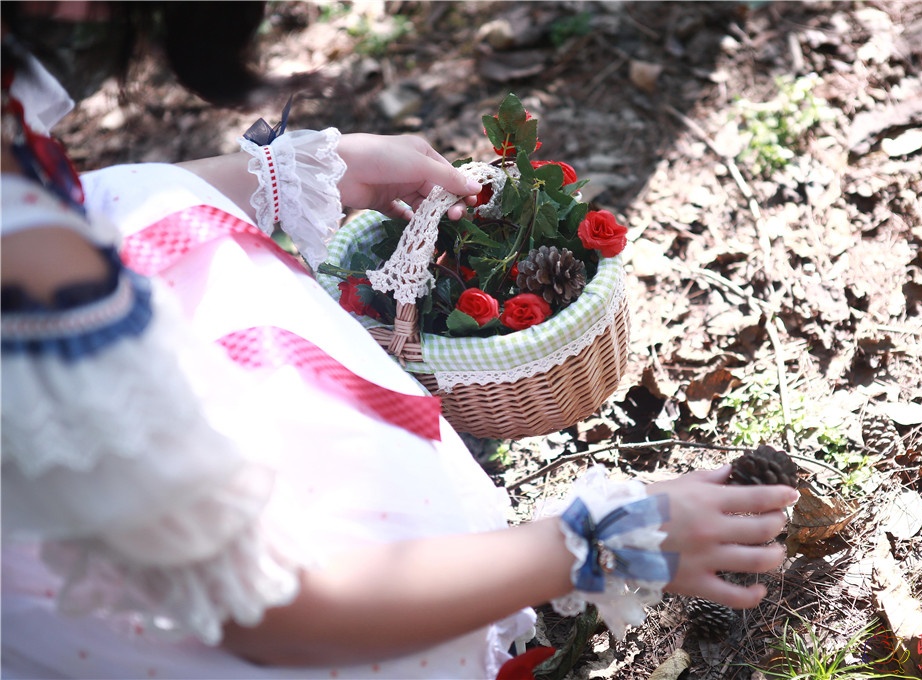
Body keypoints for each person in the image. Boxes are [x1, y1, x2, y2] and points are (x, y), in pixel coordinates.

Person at [0, 3, 800, 678]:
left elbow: (92, 199)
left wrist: (299, 173)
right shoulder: (35, 268)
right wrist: (595, 544)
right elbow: (273, 607)